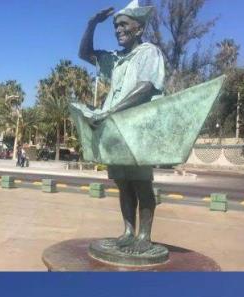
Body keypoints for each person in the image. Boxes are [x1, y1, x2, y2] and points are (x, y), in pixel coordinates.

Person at [78, 0, 166, 255]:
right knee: (123, 183)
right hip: (115, 128)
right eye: (116, 26)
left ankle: (144, 236)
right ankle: (128, 232)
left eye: (123, 25)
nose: (118, 30)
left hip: (138, 127)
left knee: (141, 183)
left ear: (138, 29)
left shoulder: (149, 52)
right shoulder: (116, 59)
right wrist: (92, 24)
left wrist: (111, 111)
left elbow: (145, 87)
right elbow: (85, 54)